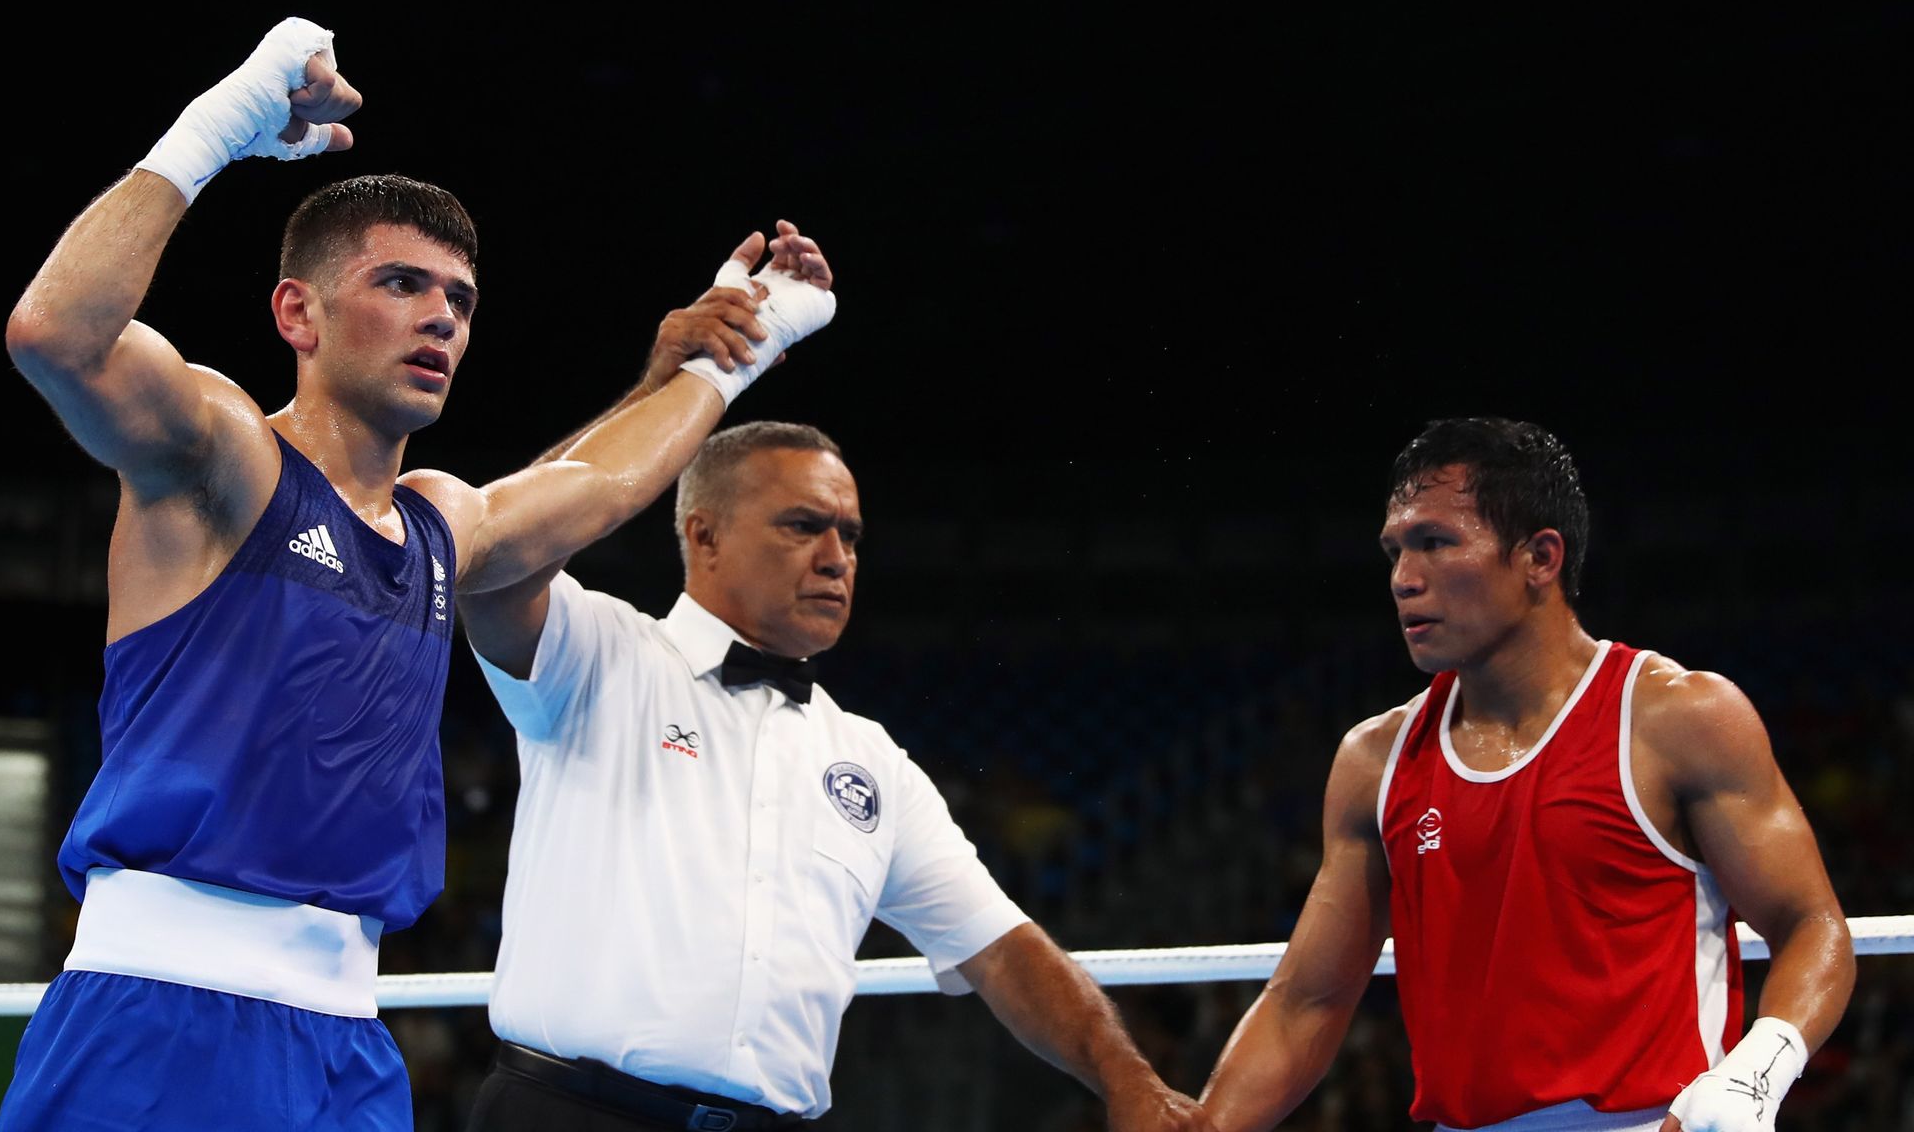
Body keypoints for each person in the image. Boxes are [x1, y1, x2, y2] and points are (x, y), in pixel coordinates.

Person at [0, 16, 836, 1132]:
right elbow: (57, 334)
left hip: (348, 1042)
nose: (441, 313)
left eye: (461, 299)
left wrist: (740, 352)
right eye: (401, 283)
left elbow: (597, 484)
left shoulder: (440, 523)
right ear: (299, 311)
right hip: (162, 1014)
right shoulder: (224, 459)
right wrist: (225, 123)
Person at [459, 421, 1201, 1130]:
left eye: (849, 535)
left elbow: (1002, 947)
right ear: (704, 535)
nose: (836, 557)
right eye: (802, 525)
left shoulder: (870, 761)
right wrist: (670, 387)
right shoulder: (604, 656)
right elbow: (490, 550)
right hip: (571, 1114)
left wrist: (1127, 1078)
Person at [1195, 417, 1856, 1132]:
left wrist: (1754, 1075)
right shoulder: (1377, 760)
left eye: (1435, 543)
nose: (1403, 580)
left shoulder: (1674, 719)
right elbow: (1306, 1005)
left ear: (1540, 557)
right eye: (1394, 551)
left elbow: (1811, 925)